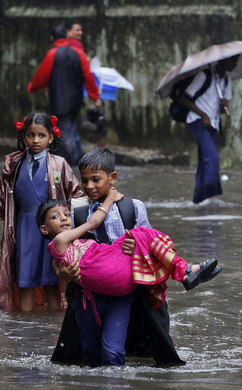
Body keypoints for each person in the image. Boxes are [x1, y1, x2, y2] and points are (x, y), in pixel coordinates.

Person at [52, 148, 185, 367]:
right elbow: (61, 252)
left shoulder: (133, 208)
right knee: (86, 354)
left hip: (128, 289)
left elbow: (154, 245)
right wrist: (62, 272)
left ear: (113, 177)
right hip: (91, 293)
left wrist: (139, 248)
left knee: (133, 349)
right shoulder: (77, 212)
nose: (89, 186)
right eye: (84, 181)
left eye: (96, 179)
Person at [0, 112, 86, 312]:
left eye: (41, 135)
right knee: (25, 282)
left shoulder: (59, 165)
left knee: (54, 282)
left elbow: (77, 197)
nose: (35, 140)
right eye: (30, 135)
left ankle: (54, 328)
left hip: (54, 232)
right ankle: (24, 329)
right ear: (23, 137)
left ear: (51, 137)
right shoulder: (13, 165)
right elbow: (1, 199)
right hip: (23, 230)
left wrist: (85, 225)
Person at [38, 195, 221, 299]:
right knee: (142, 233)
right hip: (107, 271)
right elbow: (93, 223)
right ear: (44, 229)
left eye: (66, 214)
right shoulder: (60, 240)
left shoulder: (65, 247)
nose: (63, 218)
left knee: (142, 237)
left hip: (109, 273)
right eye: (55, 216)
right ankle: (185, 271)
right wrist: (110, 198)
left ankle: (185, 271)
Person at [27, 25, 101, 166]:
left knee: (65, 130)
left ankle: (72, 162)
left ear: (52, 38)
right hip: (76, 100)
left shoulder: (52, 54)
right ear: (66, 36)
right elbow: (88, 76)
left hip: (59, 100)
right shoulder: (78, 53)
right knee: (69, 127)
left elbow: (41, 76)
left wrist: (32, 87)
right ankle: (72, 158)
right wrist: (94, 96)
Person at [180, 56, 238, 204]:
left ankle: (198, 199)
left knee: (204, 160)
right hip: (198, 120)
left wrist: (224, 105)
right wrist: (203, 114)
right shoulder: (204, 75)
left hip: (213, 123)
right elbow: (184, 99)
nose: (235, 64)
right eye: (232, 60)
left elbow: (222, 104)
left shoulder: (226, 81)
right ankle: (210, 197)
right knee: (213, 157)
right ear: (223, 61)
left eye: (236, 61)